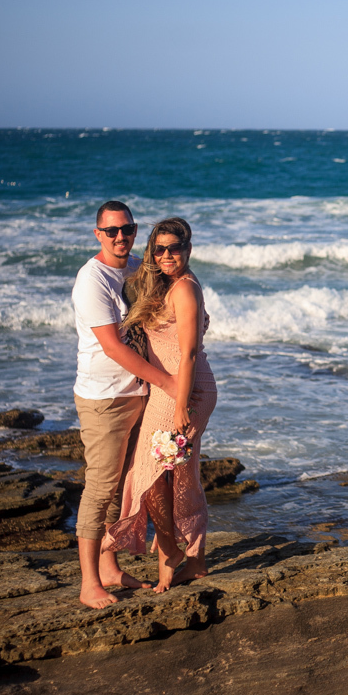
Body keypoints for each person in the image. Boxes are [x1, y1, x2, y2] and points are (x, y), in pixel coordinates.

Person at [72, 201, 180, 609]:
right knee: (99, 488)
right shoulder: (91, 280)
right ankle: (88, 583)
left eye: (128, 229)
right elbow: (114, 347)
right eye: (112, 231)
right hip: (105, 398)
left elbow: (174, 299)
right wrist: (169, 382)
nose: (121, 237)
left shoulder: (138, 267)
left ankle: (109, 567)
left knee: (122, 485)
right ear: (97, 233)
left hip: (140, 392)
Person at [103, 217, 216, 592]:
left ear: (188, 249)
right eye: (160, 249)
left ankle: (170, 551)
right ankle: (194, 558)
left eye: (176, 248)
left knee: (150, 475)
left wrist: (181, 404)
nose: (168, 255)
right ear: (152, 252)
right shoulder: (168, 284)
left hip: (183, 391)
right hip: (174, 389)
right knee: (177, 475)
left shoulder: (184, 289)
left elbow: (188, 353)